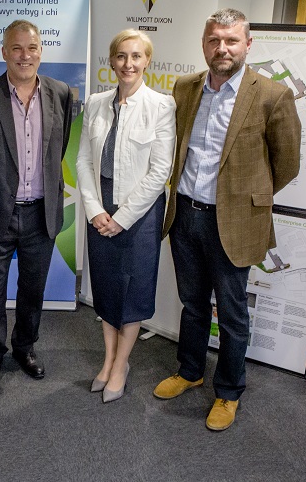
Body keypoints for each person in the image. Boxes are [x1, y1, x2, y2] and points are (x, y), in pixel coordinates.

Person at [153, 8, 301, 431]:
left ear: (247, 44)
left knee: (233, 313)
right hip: (185, 215)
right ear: (204, 44)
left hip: (233, 224)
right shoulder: (185, 87)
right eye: (215, 40)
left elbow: (286, 164)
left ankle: (229, 391)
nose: (222, 48)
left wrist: (247, 201)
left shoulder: (272, 95)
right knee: (193, 303)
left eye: (231, 40)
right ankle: (190, 370)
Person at [0, 19, 73, 386]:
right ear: (4, 52)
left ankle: (25, 347)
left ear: (41, 51)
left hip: (41, 212)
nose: (25, 55)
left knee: (33, 287)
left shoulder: (63, 94)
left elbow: (61, 146)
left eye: (32, 48)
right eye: (17, 48)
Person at [76, 30, 175, 403]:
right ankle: (108, 360)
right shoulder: (96, 102)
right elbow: (84, 160)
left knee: (132, 290)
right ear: (111, 60)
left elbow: (159, 170)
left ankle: (121, 364)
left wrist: (123, 217)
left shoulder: (161, 106)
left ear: (147, 61)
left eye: (136, 56)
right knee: (104, 286)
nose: (127, 64)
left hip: (139, 216)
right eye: (120, 56)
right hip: (100, 210)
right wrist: (95, 210)